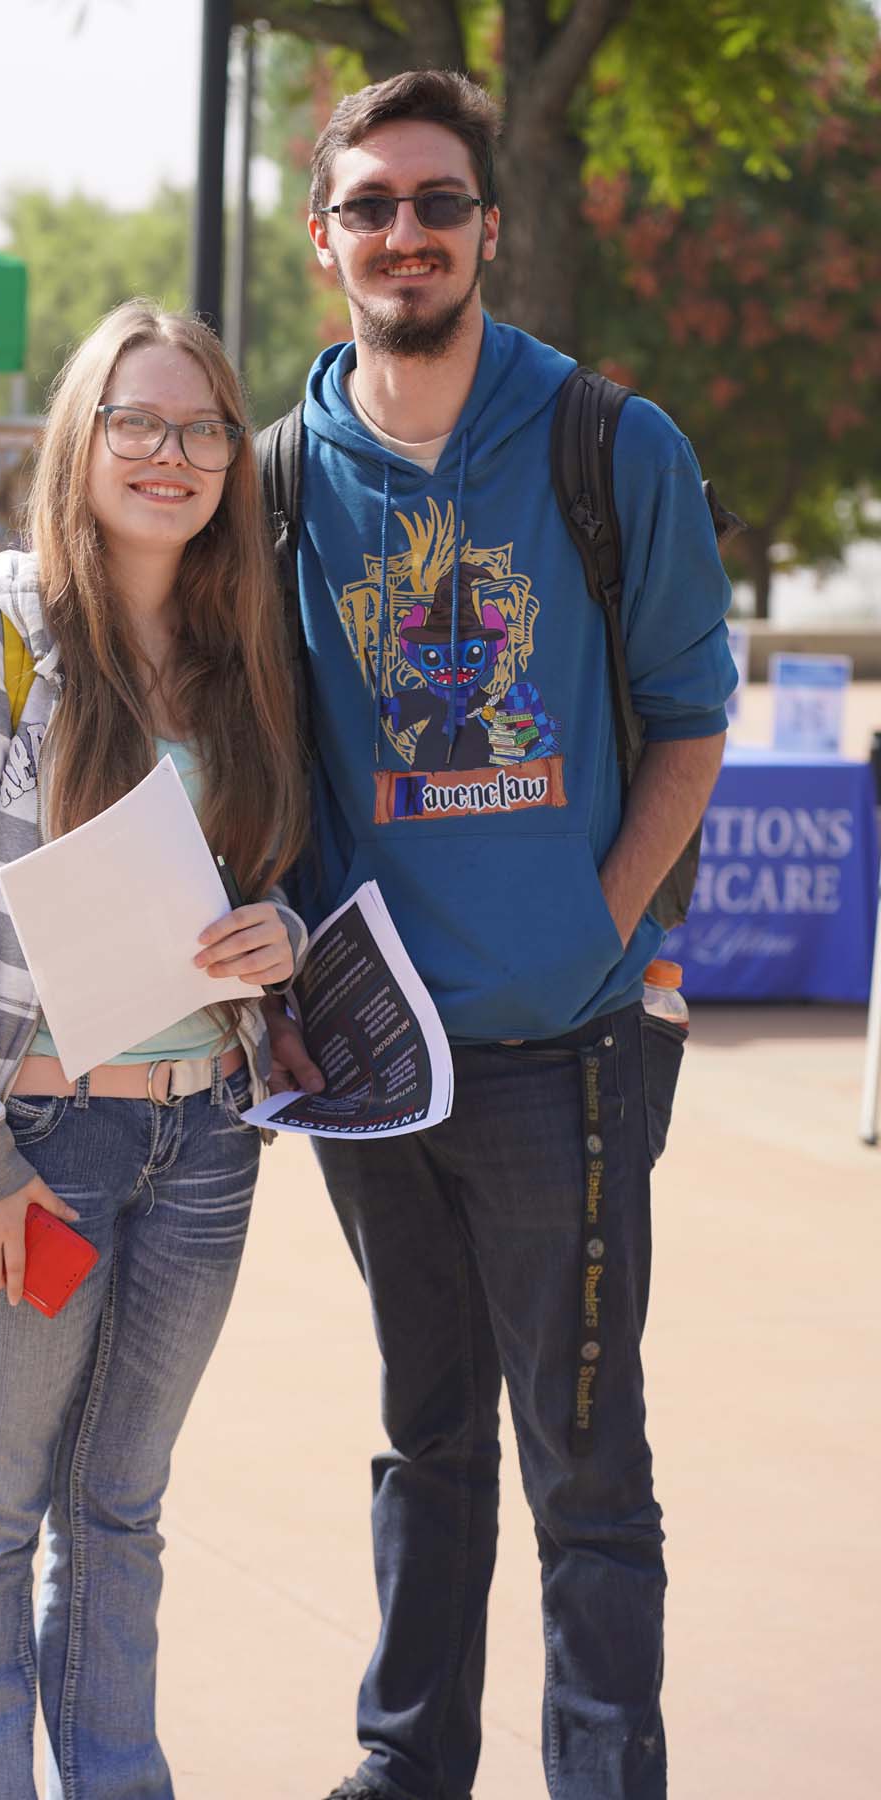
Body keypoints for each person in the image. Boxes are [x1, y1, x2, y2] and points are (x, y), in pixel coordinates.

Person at [261, 70, 737, 1800]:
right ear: (326, 241)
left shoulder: (614, 444)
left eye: (437, 201)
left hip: (569, 1057)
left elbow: (690, 717)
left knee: (586, 1466)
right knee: (425, 1437)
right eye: (373, 204)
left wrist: (586, 927)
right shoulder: (274, 483)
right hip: (376, 1066)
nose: (407, 231)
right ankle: (408, 1767)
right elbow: (246, 753)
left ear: (487, 228)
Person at [0, 300, 308, 1800]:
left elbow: (268, 872)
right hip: (32, 1144)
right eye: (138, 421)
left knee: (121, 1508)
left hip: (204, 1140)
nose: (171, 454)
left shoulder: (242, 639)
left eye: (201, 428)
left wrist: (281, 934)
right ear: (81, 437)